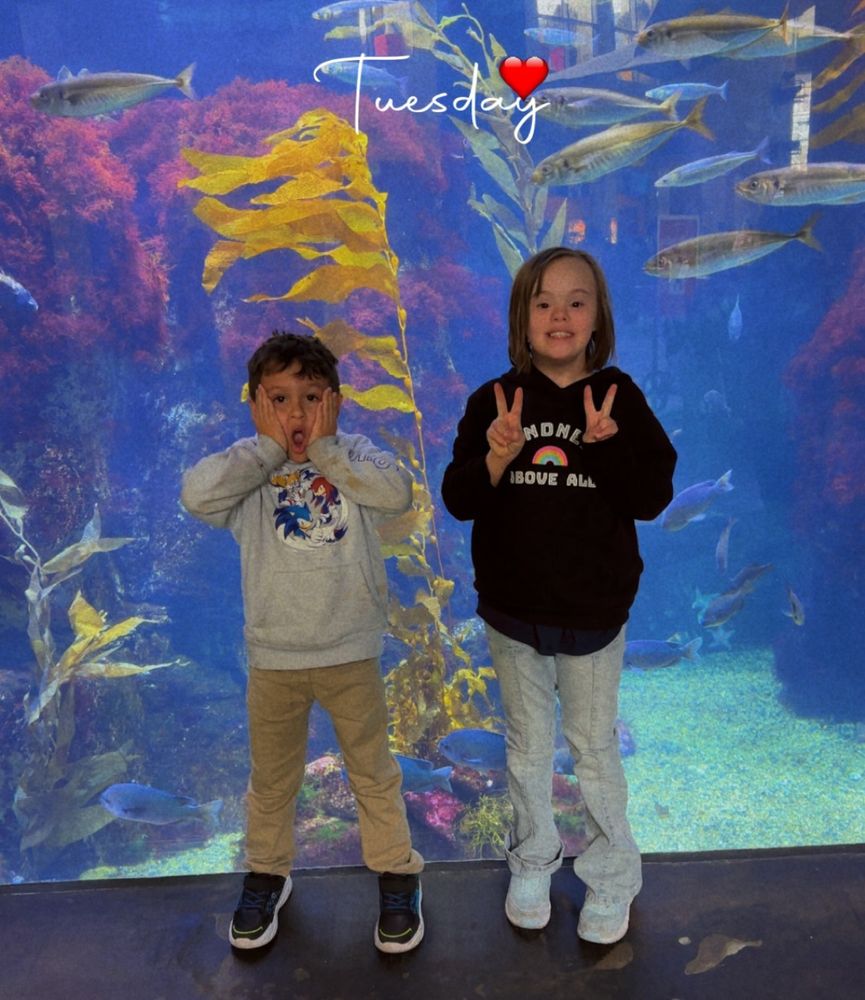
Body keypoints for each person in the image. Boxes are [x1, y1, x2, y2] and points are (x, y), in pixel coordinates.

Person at [441, 247, 676, 944]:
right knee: (525, 747)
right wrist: (495, 455)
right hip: (512, 611)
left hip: (594, 614)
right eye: (543, 302)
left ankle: (611, 876)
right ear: (522, 316)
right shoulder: (493, 400)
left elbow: (651, 497)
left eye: (577, 301)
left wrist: (605, 444)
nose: (560, 315)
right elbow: (458, 499)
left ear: (598, 316)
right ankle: (532, 862)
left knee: (594, 749)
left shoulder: (619, 397)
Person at [181, 332, 424, 952]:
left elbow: (396, 493)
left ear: (335, 401)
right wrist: (267, 448)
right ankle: (267, 874)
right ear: (255, 404)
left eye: (311, 397)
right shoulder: (247, 467)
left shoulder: (354, 454)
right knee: (271, 781)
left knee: (373, 772)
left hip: (351, 653)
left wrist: (326, 447)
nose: (295, 413)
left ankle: (398, 874)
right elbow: (195, 495)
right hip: (275, 660)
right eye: (279, 399)